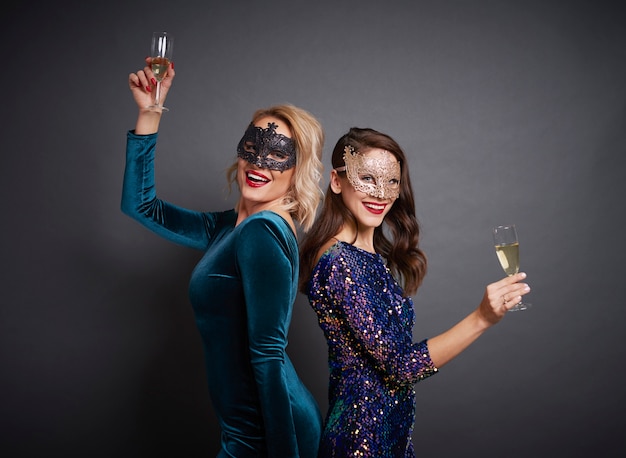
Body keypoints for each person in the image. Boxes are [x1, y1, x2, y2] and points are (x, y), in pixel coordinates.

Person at [122, 57, 325, 457]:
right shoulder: (230, 228)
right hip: (243, 429)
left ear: (296, 170)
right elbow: (141, 206)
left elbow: (268, 357)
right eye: (252, 147)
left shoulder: (263, 232)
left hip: (265, 434)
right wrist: (149, 113)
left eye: (276, 155)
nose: (258, 163)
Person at [298, 127, 531, 457]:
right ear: (337, 181)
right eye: (366, 178)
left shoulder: (368, 256)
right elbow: (400, 367)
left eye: (392, 181)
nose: (381, 193)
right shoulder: (340, 262)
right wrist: (481, 318)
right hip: (361, 441)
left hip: (391, 435)